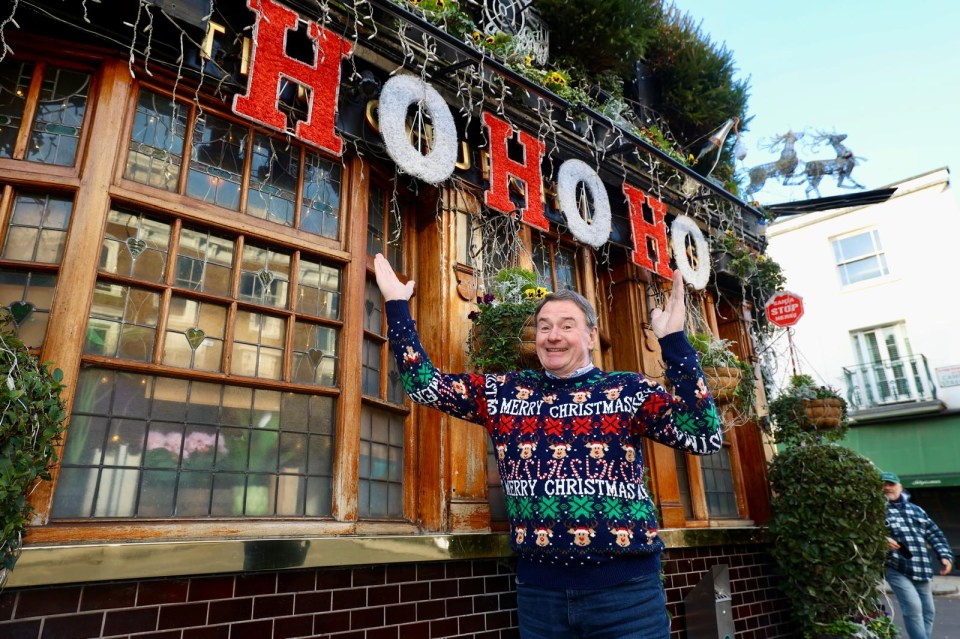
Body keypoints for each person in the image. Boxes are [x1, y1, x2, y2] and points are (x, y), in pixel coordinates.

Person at [374, 253, 722, 639]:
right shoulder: (504, 393)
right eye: (544, 326)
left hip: (628, 600)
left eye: (566, 326)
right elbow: (426, 386)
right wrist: (396, 306)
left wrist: (673, 341)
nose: (553, 335)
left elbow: (703, 434)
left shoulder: (627, 390)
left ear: (590, 336)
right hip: (541, 600)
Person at [882, 470, 954, 639]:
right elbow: (865, 532)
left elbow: (935, 533)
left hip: (921, 568)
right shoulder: (876, 510)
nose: (886, 488)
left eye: (890, 484)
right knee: (913, 608)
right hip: (895, 566)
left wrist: (945, 556)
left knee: (928, 611)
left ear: (900, 487)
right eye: (883, 485)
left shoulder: (917, 510)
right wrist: (881, 538)